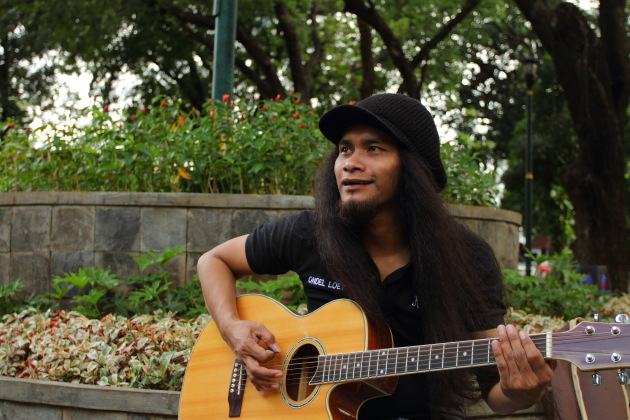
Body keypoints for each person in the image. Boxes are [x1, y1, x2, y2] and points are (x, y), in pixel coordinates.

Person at [197, 93, 554, 419]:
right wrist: (232, 329)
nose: (350, 163)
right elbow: (214, 261)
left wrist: (522, 391)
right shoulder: (311, 232)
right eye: (345, 149)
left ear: (413, 168)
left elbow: (496, 393)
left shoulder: (465, 257)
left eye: (374, 148)